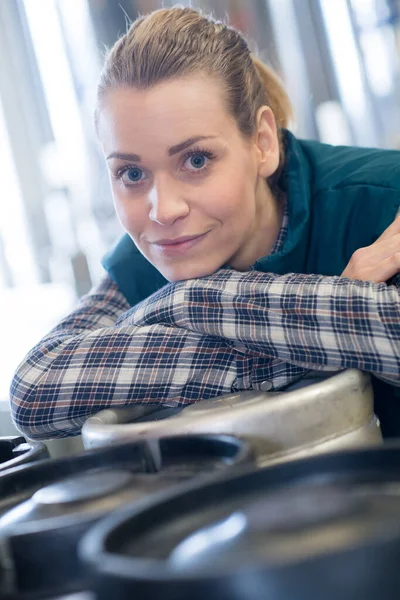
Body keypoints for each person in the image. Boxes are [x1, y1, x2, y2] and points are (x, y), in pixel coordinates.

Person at [10, 6, 400, 441]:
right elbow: (36, 387)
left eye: (196, 160)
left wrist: (180, 308)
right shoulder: (150, 257)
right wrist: (333, 317)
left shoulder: (384, 200)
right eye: (132, 174)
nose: (163, 210)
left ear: (262, 143)